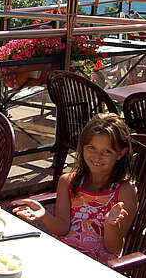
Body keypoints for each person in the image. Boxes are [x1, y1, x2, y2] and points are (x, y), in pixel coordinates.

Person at [12, 113, 138, 263]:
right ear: (82, 147)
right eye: (91, 148)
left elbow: (114, 248)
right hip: (62, 256)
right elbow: (63, 228)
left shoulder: (125, 191)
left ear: (120, 154)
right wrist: (44, 214)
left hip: (98, 266)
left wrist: (110, 224)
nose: (97, 157)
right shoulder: (68, 182)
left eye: (107, 151)